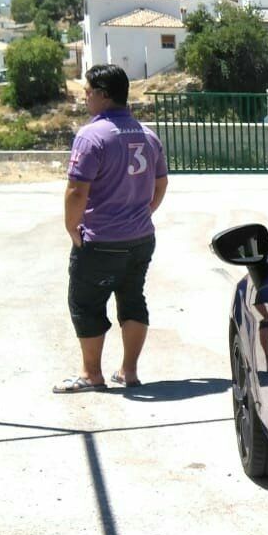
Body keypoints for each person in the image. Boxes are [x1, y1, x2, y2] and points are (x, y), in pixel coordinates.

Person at [54, 64, 168, 393]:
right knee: (133, 300)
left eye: (87, 93)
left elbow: (77, 190)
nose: (84, 99)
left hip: (101, 240)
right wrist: (146, 211)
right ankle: (128, 372)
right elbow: (161, 182)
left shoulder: (92, 135)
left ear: (103, 96)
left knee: (86, 304)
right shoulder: (148, 135)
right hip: (141, 238)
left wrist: (72, 228)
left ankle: (92, 375)